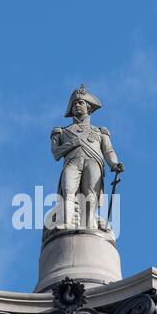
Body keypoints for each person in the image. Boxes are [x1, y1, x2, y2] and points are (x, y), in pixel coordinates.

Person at [51, 85, 124, 229]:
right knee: (68, 192)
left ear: (89, 108)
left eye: (81, 103)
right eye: (75, 104)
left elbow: (108, 151)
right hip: (72, 162)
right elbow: (56, 154)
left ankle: (89, 225)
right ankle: (66, 223)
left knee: (91, 196)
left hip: (93, 161)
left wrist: (114, 164)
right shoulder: (61, 132)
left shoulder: (100, 132)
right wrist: (72, 143)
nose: (77, 105)